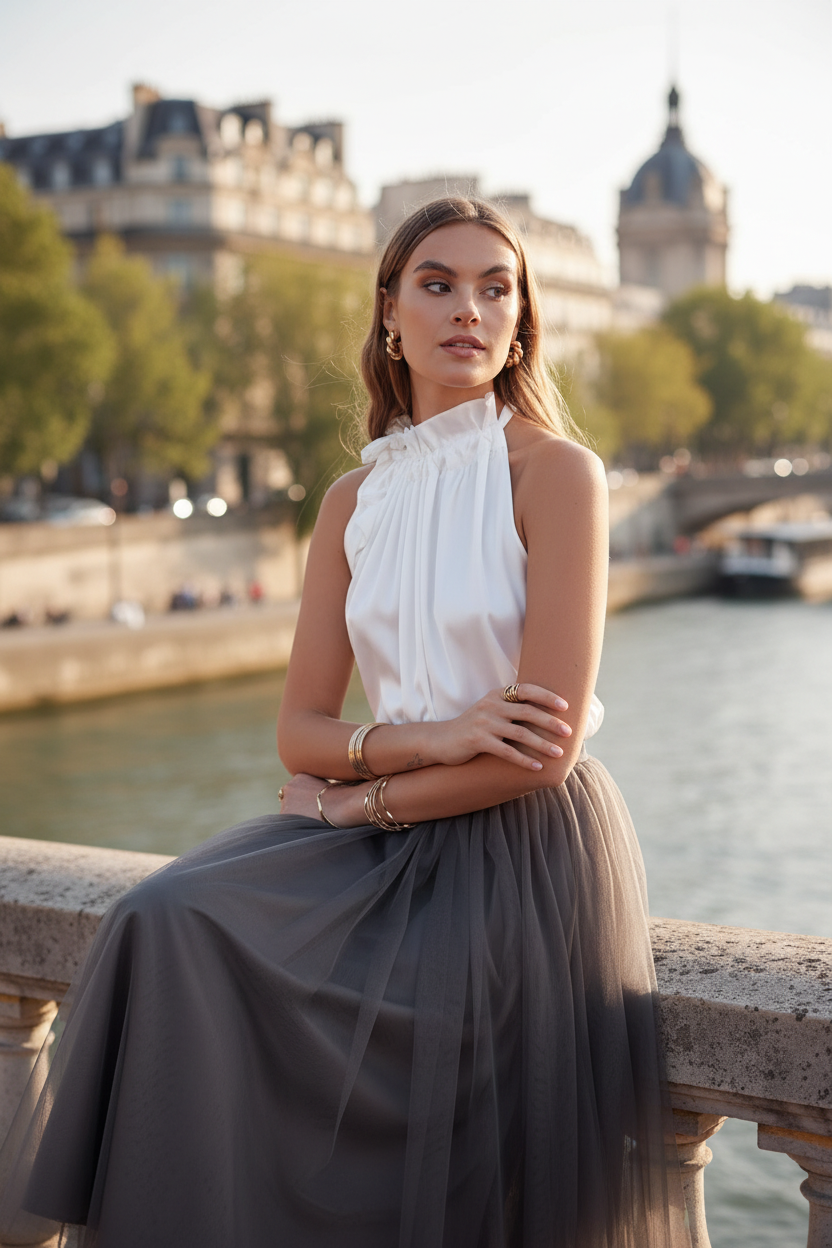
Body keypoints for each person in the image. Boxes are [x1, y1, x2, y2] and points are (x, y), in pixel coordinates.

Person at [0, 198, 688, 1248]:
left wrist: (348, 806)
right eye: (438, 283)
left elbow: (539, 754)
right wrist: (422, 742)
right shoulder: (348, 502)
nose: (469, 308)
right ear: (388, 313)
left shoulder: (558, 474)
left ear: (521, 322)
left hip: (519, 853)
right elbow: (301, 731)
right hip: (394, 821)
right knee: (162, 918)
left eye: (496, 288)